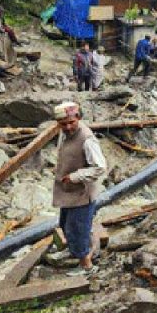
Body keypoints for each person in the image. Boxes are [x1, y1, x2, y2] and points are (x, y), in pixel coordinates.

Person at [51, 102, 107, 271]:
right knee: (65, 224)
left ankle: (86, 266)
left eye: (71, 122)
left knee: (79, 230)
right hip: (68, 191)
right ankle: (73, 252)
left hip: (82, 193)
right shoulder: (64, 133)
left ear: (78, 118)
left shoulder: (87, 139)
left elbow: (100, 167)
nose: (68, 127)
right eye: (63, 124)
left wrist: (76, 176)